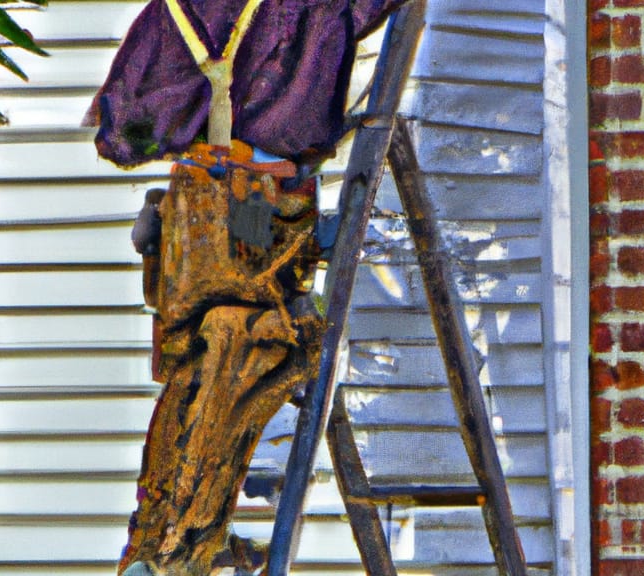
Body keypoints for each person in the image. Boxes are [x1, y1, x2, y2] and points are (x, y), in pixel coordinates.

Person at [84, 0, 411, 572]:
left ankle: (166, 544)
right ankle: (180, 552)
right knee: (256, 345)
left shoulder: (172, 13)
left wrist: (198, 95)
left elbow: (120, 138)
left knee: (194, 369)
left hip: (189, 216)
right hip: (259, 213)